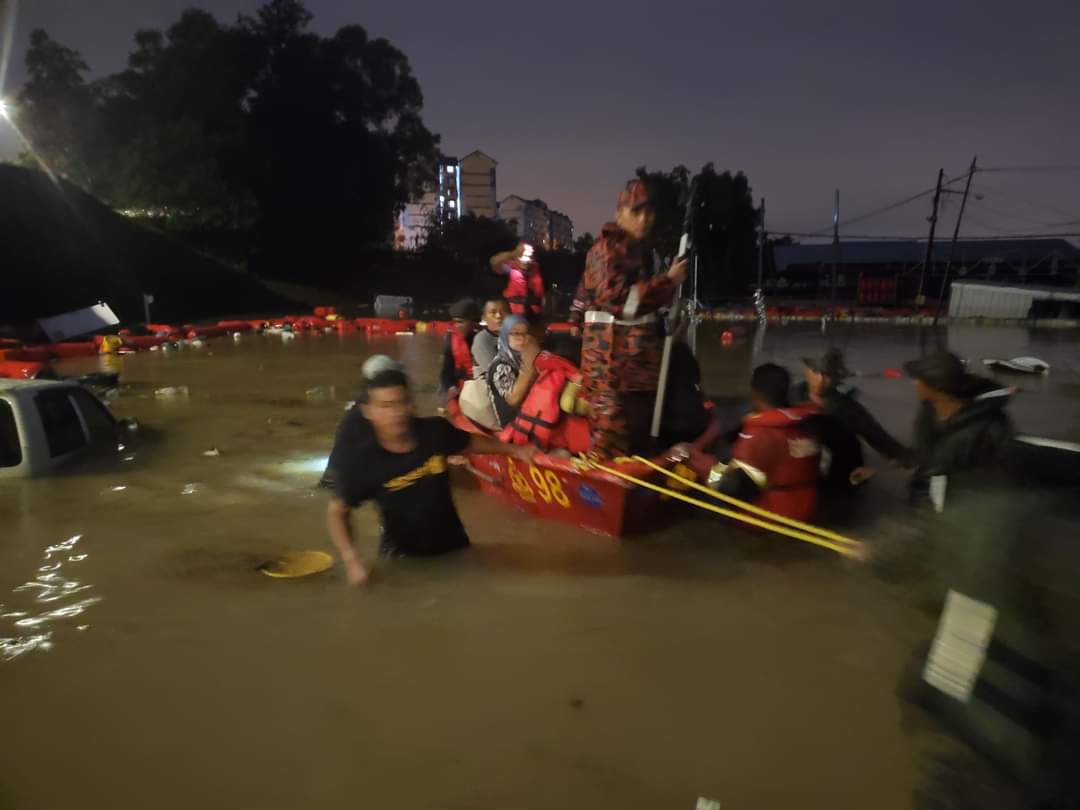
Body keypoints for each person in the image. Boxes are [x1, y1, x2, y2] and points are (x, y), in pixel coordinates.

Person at [325, 367, 536, 585]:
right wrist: (351, 560)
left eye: (402, 402)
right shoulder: (362, 463)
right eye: (386, 406)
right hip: (404, 561)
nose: (396, 412)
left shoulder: (435, 432)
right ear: (368, 411)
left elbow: (470, 442)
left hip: (456, 547)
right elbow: (337, 512)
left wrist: (514, 450)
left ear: (411, 404)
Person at [567, 179, 687, 456]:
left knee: (639, 428)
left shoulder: (644, 252)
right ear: (619, 214)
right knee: (611, 429)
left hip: (639, 364)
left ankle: (641, 480)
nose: (644, 219)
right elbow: (618, 302)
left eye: (649, 213)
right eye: (636, 212)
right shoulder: (605, 250)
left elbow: (646, 308)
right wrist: (667, 281)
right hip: (609, 365)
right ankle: (600, 486)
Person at [709, 363, 821, 522]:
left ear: (755, 393)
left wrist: (713, 473)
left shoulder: (758, 435)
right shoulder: (805, 424)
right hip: (807, 507)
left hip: (772, 514)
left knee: (707, 471)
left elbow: (738, 492)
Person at [903, 351, 1014, 509]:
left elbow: (1001, 470)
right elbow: (920, 453)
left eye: (918, 380)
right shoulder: (927, 414)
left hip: (962, 508)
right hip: (923, 502)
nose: (915, 385)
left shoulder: (988, 422)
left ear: (935, 387)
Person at [798, 349, 911, 497]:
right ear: (806, 371)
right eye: (815, 372)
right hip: (804, 475)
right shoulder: (793, 396)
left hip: (840, 479)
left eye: (827, 375)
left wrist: (891, 465)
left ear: (836, 378)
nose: (820, 380)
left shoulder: (847, 408)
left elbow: (882, 441)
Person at [486, 315, 539, 428]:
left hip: (531, 412)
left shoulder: (524, 356)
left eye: (525, 333)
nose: (522, 338)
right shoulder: (500, 366)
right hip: (513, 424)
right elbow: (513, 400)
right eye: (515, 333)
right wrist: (529, 364)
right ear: (505, 336)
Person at [490, 242, 544, 321]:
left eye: (529, 257)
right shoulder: (508, 268)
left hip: (534, 315)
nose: (526, 260)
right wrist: (512, 253)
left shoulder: (537, 270)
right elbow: (494, 263)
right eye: (522, 256)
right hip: (512, 314)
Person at [439, 298, 481, 398]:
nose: (457, 326)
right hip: (461, 387)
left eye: (461, 322)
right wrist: (451, 386)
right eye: (455, 322)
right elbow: (446, 372)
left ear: (473, 322)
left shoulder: (484, 338)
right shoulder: (451, 341)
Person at [471, 298, 509, 374]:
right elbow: (496, 373)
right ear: (484, 318)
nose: (499, 316)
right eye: (493, 312)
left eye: (503, 311)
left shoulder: (517, 335)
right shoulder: (481, 339)